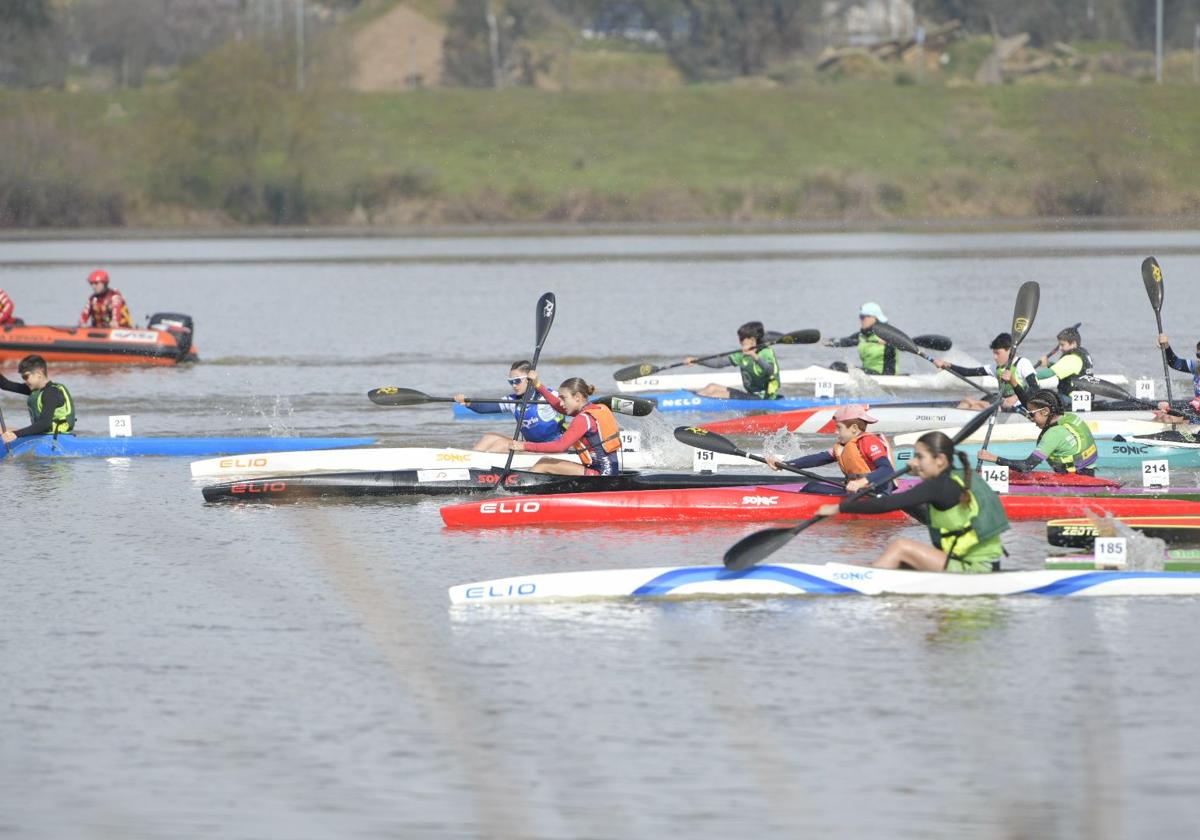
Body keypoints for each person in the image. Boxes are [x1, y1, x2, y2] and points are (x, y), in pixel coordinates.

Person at [815, 431, 1009, 573]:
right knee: (899, 563)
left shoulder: (938, 486)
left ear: (940, 459)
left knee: (900, 546)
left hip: (974, 568)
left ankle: (860, 591)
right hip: (985, 563)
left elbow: (888, 503)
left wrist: (840, 507)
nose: (914, 461)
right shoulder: (957, 477)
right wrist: (916, 469)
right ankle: (865, 577)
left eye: (919, 456)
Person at [765, 404, 895, 495]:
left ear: (854, 429)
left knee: (810, 488)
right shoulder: (843, 446)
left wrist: (861, 482)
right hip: (858, 492)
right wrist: (785, 464)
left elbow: (886, 470)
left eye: (839, 427)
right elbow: (817, 459)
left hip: (876, 493)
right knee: (812, 486)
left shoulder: (868, 441)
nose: (835, 431)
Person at [508, 375, 622, 475]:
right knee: (546, 462)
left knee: (543, 464)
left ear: (577, 397)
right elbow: (558, 406)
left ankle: (519, 493)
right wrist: (537, 385)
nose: (561, 403)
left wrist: (524, 446)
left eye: (563, 398)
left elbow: (560, 446)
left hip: (601, 475)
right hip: (610, 471)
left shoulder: (583, 419)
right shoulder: (598, 409)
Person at [977, 389, 1098, 475]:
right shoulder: (1069, 417)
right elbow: (1033, 405)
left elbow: (1026, 467)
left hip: (1075, 481)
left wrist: (993, 458)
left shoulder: (1054, 434)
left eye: (1032, 414)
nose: (1030, 418)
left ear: (1045, 411)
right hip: (1088, 472)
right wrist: (1014, 383)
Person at [454, 361, 567, 452]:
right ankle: (469, 463)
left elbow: (571, 407)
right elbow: (486, 407)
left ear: (529, 379)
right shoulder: (513, 401)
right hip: (531, 447)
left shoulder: (548, 397)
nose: (514, 385)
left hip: (552, 449)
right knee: (489, 437)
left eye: (517, 381)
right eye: (511, 382)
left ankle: (485, 472)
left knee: (501, 444)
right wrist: (468, 403)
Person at [933, 332, 1038, 411]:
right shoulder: (996, 367)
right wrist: (947, 365)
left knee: (976, 406)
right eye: (993, 353)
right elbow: (967, 372)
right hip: (1003, 404)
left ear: (1010, 351)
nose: (995, 357)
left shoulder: (1023, 363)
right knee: (966, 402)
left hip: (1020, 406)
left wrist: (1015, 397)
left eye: (998, 353)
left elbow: (1035, 389)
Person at [686, 321, 781, 400]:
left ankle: (693, 402)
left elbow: (770, 370)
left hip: (764, 398)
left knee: (714, 394)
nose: (739, 341)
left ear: (752, 340)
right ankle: (689, 399)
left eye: (741, 338)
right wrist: (697, 361)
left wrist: (754, 356)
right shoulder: (742, 354)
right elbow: (719, 363)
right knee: (712, 387)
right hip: (751, 395)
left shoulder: (766, 352)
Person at [0, 354, 76, 444]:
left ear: (39, 373)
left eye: (26, 377)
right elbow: (6, 385)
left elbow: (44, 424)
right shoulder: (36, 391)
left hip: (58, 438)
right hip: (45, 435)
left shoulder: (51, 392)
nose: (24, 381)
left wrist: (16, 434)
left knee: (10, 432)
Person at [825, 302, 898, 375]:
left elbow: (907, 344)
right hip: (868, 374)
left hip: (885, 375)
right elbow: (846, 341)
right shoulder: (863, 335)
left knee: (837, 366)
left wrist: (891, 341)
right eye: (860, 316)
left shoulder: (888, 334)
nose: (860, 320)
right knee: (836, 366)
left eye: (863, 317)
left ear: (874, 318)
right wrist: (826, 342)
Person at [1033, 326, 1093, 397]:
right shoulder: (1080, 355)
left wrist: (1029, 377)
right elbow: (1064, 369)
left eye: (1062, 345)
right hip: (1081, 399)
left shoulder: (1071, 358)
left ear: (1073, 343)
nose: (1060, 348)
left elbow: (1049, 373)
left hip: (1071, 400)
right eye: (1059, 345)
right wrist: (1048, 364)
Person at [1154, 333, 1200, 422]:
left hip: (1196, 412)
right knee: (1160, 416)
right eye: (1197, 355)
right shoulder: (1197, 366)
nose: (1198, 359)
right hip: (1194, 408)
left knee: (1169, 418)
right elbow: (1174, 362)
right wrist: (1166, 346)